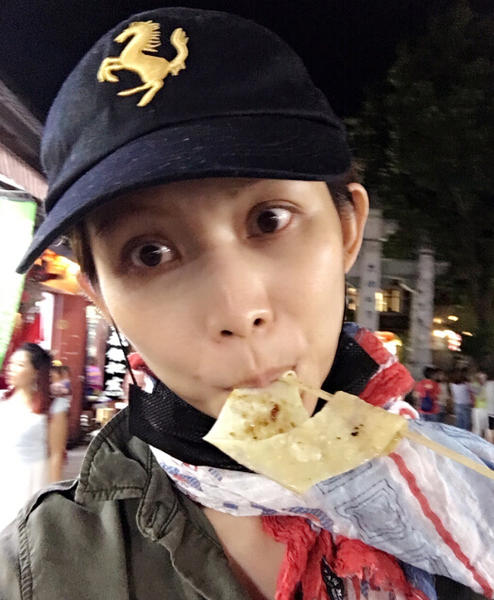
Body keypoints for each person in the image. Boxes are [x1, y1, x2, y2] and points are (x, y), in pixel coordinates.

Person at [1, 8, 493, 600]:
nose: (237, 311)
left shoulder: (473, 493)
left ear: (347, 229)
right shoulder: (43, 570)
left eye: (269, 220)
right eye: (150, 254)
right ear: (100, 297)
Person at [0, 343, 69, 530]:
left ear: (35, 372)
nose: (11, 368)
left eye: (20, 365)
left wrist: (53, 498)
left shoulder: (54, 407)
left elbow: (56, 456)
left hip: (31, 484)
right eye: (11, 363)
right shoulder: (3, 401)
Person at [471, 371, 488, 438]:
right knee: (477, 429)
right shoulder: (475, 385)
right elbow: (480, 397)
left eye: (484, 377)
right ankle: (476, 440)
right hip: (477, 409)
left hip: (486, 409)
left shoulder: (486, 385)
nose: (483, 379)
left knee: (486, 428)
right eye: (481, 377)